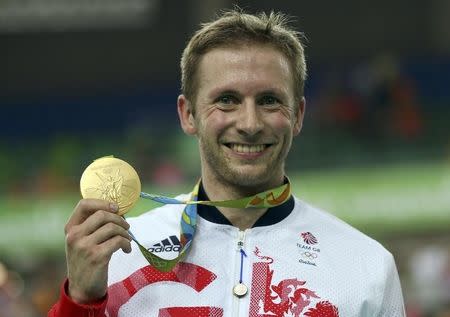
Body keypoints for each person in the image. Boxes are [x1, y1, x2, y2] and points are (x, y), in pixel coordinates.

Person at [48, 8, 405, 317]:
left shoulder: (365, 267)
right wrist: (80, 301)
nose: (249, 124)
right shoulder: (120, 253)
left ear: (297, 115)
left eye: (269, 100)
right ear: (188, 114)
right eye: (227, 100)